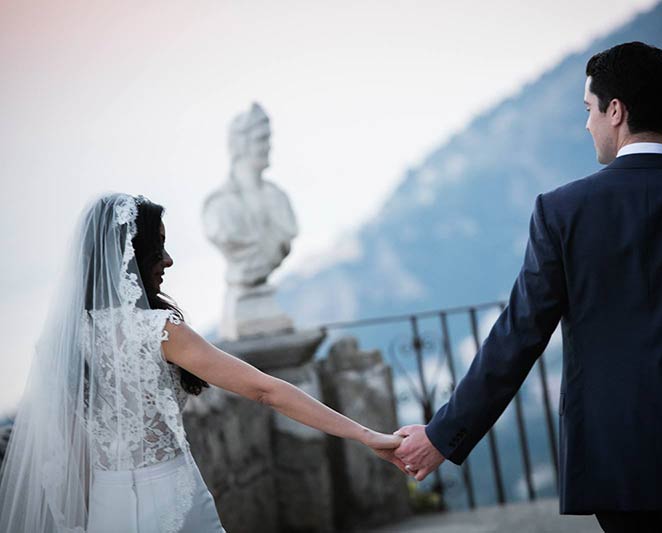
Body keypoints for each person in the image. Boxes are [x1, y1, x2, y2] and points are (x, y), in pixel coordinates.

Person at [391, 41, 662, 533]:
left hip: (619, 455)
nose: (587, 124)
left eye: (589, 110)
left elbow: (519, 335)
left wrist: (441, 435)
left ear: (616, 111)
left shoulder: (562, 212)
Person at [0, 193, 401, 533]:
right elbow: (265, 390)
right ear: (131, 255)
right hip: (170, 502)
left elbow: (71, 452)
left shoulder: (64, 343)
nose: (169, 260)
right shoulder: (158, 330)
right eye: (158, 247)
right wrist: (366, 436)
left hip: (108, 509)